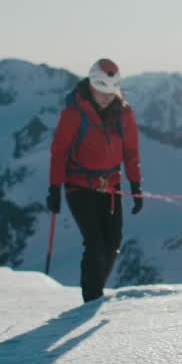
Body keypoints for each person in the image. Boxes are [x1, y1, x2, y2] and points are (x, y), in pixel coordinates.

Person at [46, 58, 143, 302]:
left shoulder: (124, 113)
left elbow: (131, 151)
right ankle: (92, 298)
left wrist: (135, 184)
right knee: (95, 243)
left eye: (111, 92)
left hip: (110, 184)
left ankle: (95, 289)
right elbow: (59, 151)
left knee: (113, 242)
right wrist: (55, 188)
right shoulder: (74, 113)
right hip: (78, 185)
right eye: (102, 92)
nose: (107, 97)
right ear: (92, 85)